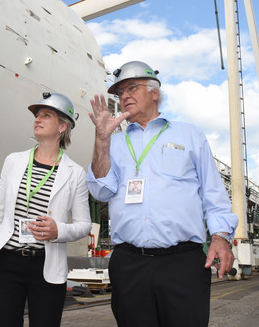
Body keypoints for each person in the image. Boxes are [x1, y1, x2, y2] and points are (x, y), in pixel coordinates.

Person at [86, 61, 238, 327]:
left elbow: (214, 196)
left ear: (154, 93)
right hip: (129, 263)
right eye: (120, 92)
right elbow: (100, 191)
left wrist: (221, 238)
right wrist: (101, 140)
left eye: (132, 87)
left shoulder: (190, 135)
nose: (124, 96)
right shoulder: (113, 142)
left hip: (184, 264)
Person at [0, 92, 92, 327]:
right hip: (7, 263)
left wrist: (59, 231)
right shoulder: (14, 161)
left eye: (46, 115)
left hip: (46, 266)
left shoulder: (75, 173)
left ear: (62, 126)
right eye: (37, 115)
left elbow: (84, 225)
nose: (38, 119)